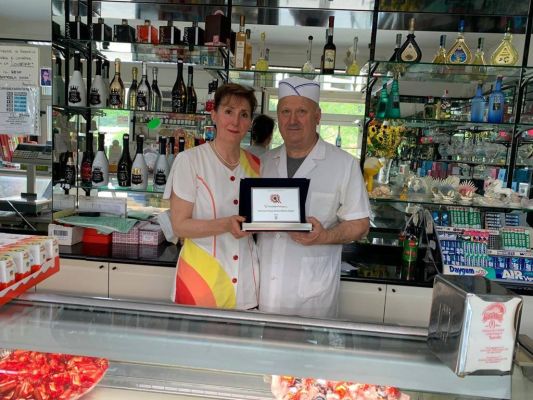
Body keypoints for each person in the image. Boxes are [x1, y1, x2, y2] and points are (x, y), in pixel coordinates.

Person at [257, 76, 370, 318]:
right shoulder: (263, 163)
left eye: (301, 112)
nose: (292, 120)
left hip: (312, 297)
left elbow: (360, 224)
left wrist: (325, 236)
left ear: (317, 116)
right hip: (263, 290)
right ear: (278, 117)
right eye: (285, 112)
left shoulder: (343, 165)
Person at [163, 83, 260, 310]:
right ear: (214, 115)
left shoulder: (257, 165)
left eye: (243, 115)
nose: (235, 121)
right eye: (228, 112)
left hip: (246, 287)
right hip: (201, 283)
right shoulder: (190, 161)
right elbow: (179, 226)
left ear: (250, 123)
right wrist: (226, 224)